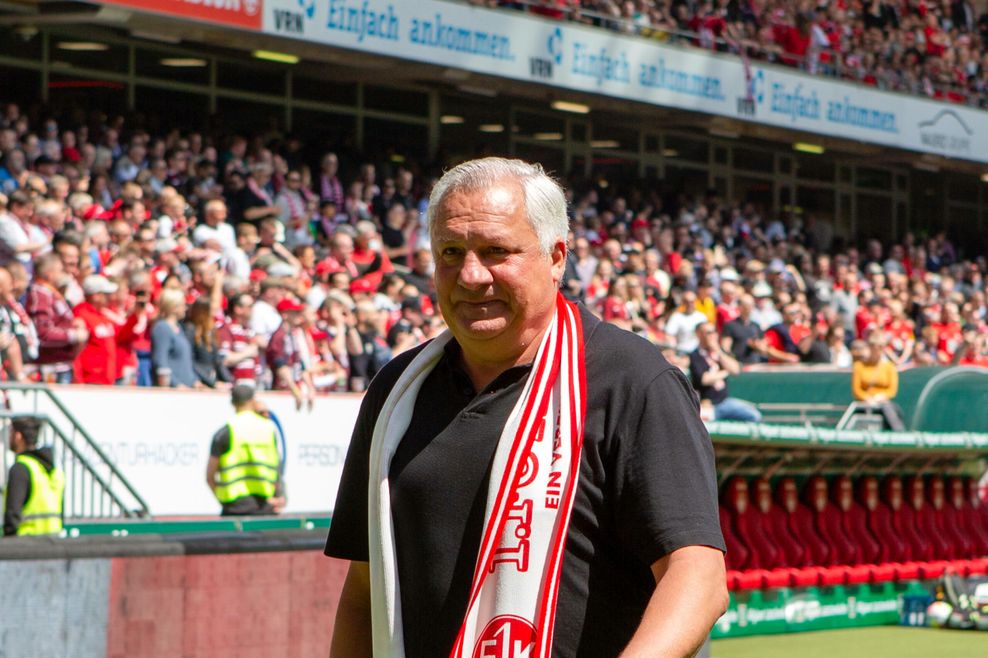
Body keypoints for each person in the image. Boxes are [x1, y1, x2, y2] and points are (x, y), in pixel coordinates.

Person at [326, 158, 726, 658]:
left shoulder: (634, 381)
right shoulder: (397, 391)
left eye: (496, 252)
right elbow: (364, 593)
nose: (471, 275)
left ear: (556, 256)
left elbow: (698, 577)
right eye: (451, 252)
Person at [205, 384, 284, 516]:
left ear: (232, 403)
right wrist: (279, 496)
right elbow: (276, 468)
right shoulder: (269, 429)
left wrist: (223, 499)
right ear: (253, 401)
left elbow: (209, 477)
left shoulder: (225, 432)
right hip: (265, 505)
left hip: (234, 508)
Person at [689, 322, 762, 423]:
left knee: (754, 415)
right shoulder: (695, 355)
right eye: (708, 333)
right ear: (699, 334)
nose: (712, 336)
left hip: (724, 401)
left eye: (714, 332)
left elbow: (735, 370)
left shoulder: (720, 352)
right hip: (707, 403)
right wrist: (725, 372)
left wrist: (718, 351)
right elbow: (704, 379)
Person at [3, 416, 64, 535]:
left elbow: (13, 513)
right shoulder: (54, 470)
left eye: (11, 432)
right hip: (53, 543)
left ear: (18, 436)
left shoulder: (20, 468)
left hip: (26, 545)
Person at [851, 332, 905, 430]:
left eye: (881, 347)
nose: (877, 350)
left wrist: (880, 397)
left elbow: (892, 390)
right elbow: (856, 390)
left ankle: (899, 434)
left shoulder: (889, 367)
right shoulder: (859, 366)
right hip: (865, 403)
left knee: (889, 409)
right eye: (874, 347)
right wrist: (867, 398)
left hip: (883, 402)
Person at [150, 288, 196, 388]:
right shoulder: (162, 328)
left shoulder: (178, 328)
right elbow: (161, 361)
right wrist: (176, 385)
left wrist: (195, 381)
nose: (186, 308)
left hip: (187, 388)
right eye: (183, 305)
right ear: (174, 307)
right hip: (174, 391)